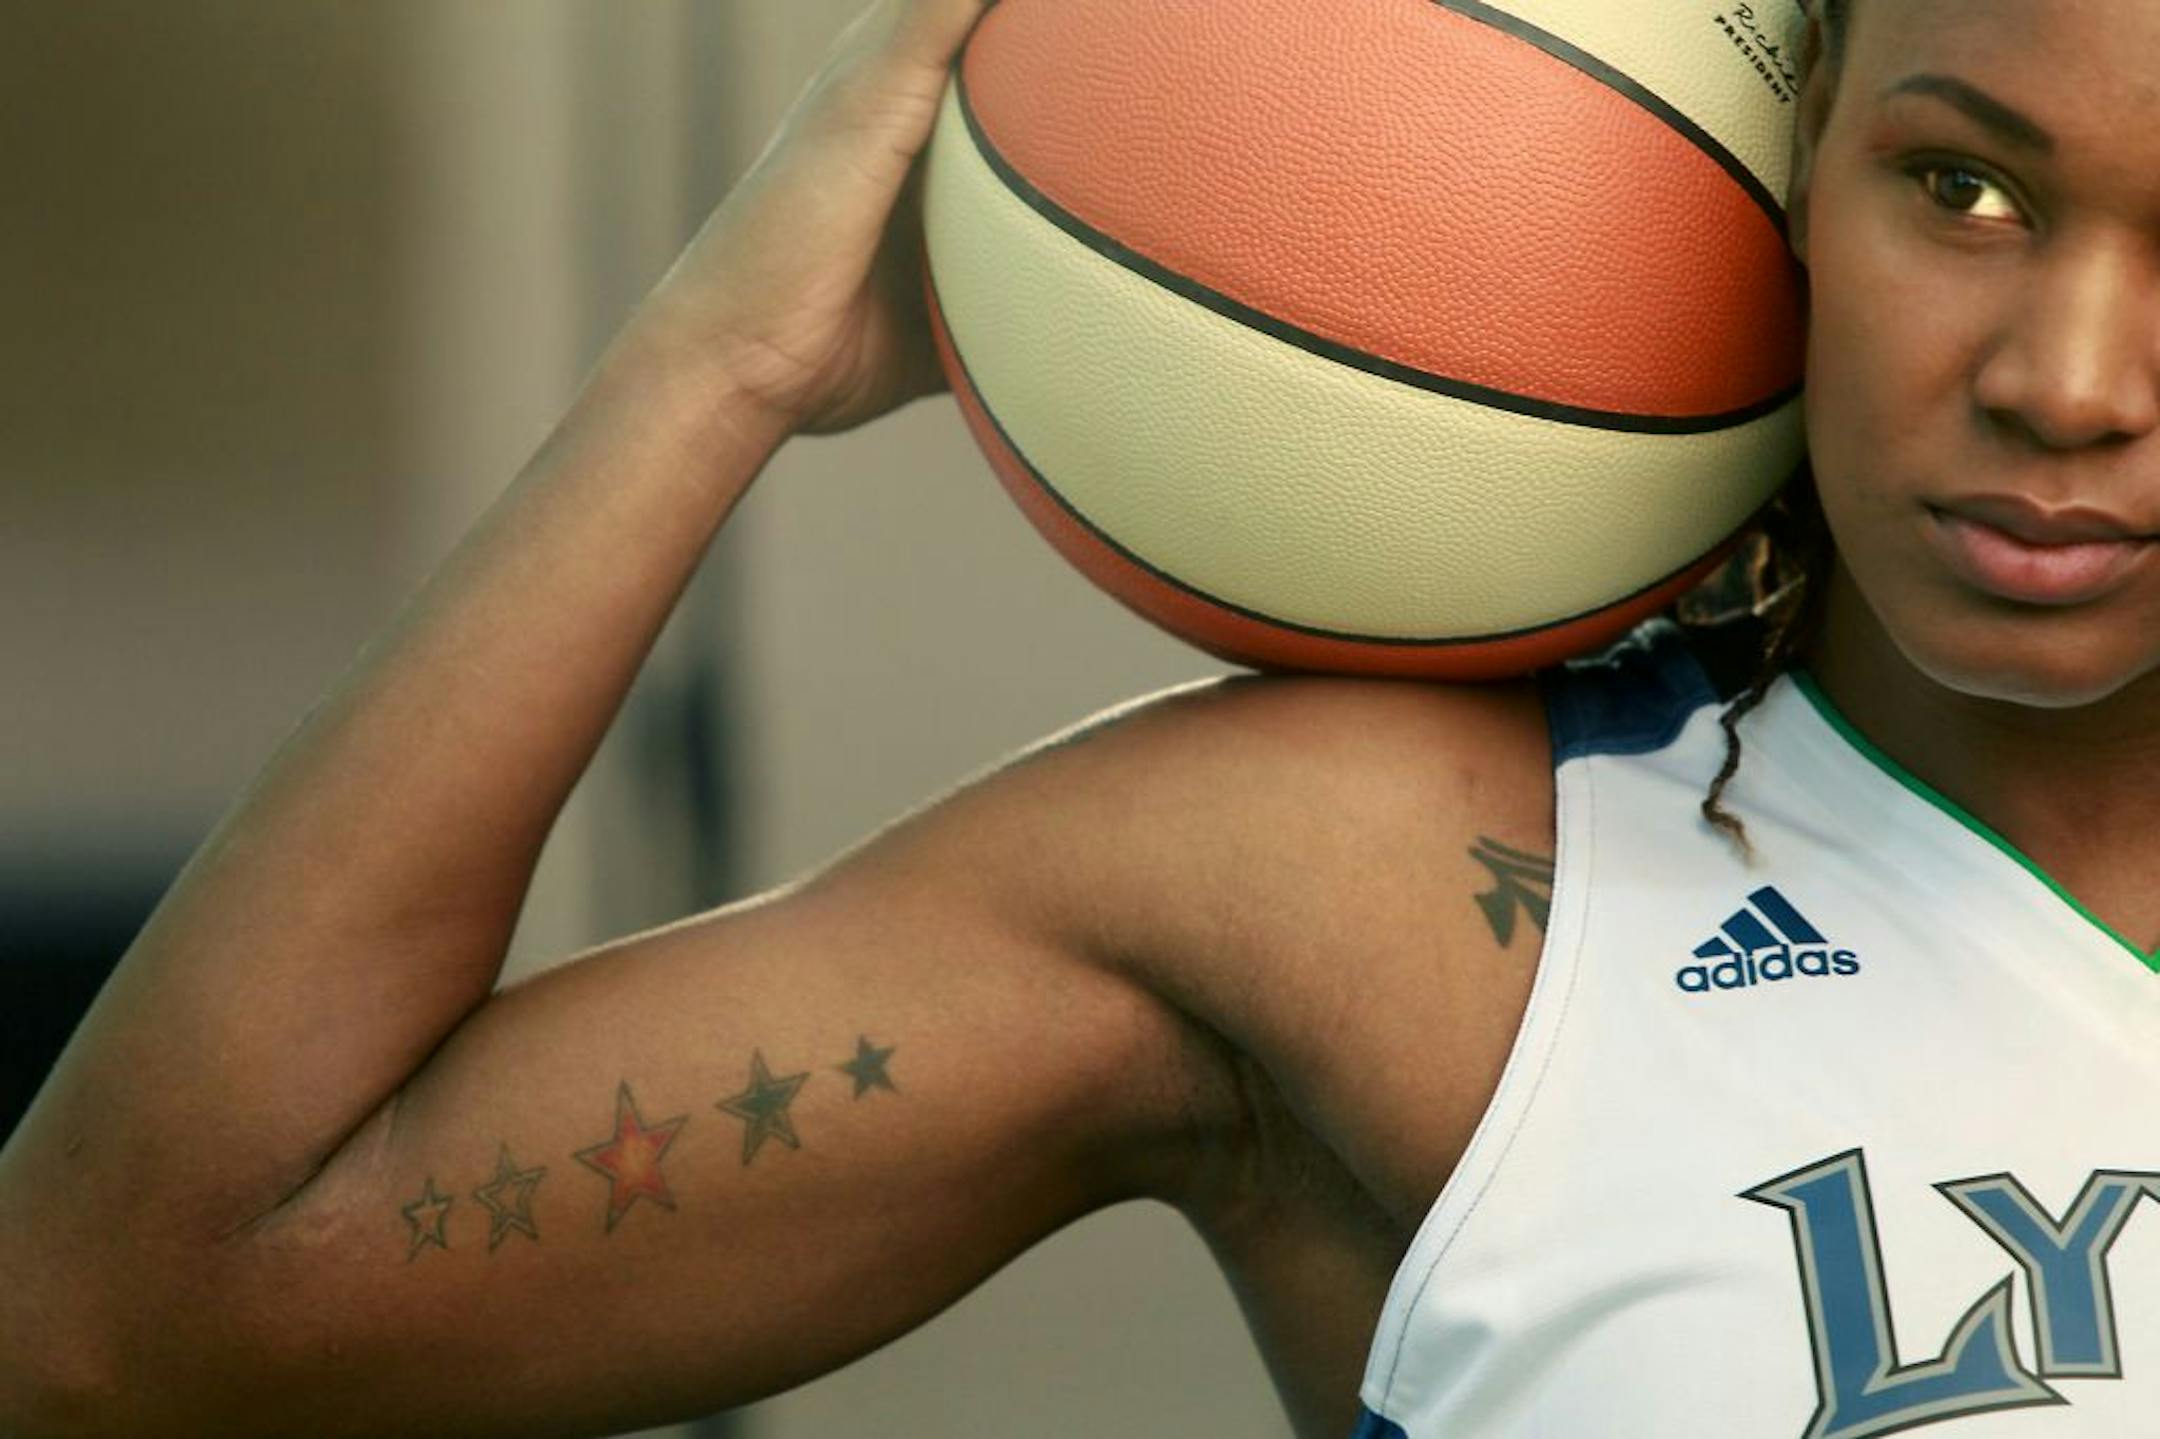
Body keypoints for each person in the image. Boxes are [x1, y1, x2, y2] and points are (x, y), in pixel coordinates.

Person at [5, 0, 2159, 1433]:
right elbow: (132, 1308)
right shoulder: (1389, 893)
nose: (2064, 378)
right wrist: (709, 372)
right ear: (1797, 175)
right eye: (1962, 187)